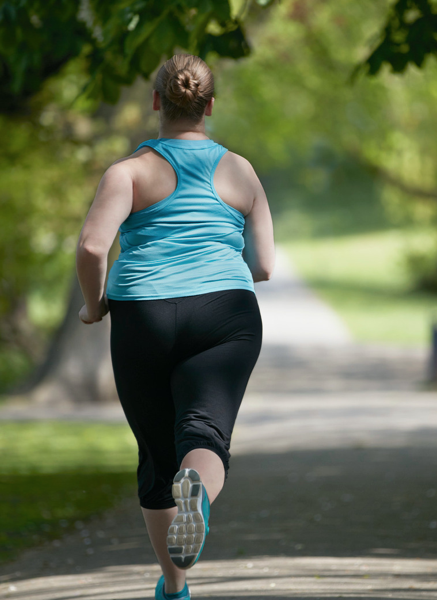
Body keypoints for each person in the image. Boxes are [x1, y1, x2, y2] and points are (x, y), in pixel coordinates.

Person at [75, 53, 275, 600]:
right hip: (226, 314)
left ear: (156, 102)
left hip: (145, 315)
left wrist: (94, 307)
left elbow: (92, 247)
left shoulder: (128, 172)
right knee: (204, 434)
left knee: (158, 457)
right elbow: (264, 266)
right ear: (209, 107)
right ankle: (199, 497)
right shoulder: (240, 170)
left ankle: (175, 585)